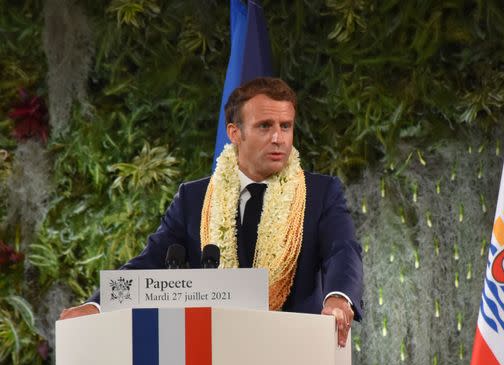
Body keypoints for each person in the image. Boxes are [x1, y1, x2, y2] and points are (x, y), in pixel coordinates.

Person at [59, 77, 363, 347]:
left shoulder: (321, 192)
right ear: (235, 133)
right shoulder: (194, 198)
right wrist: (97, 306)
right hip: (213, 358)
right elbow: (150, 262)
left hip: (296, 353)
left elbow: (343, 251)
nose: (278, 138)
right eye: (265, 126)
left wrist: (338, 297)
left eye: (286, 126)